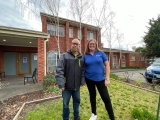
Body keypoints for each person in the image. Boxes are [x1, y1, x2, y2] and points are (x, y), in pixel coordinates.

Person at [84, 39, 115, 120]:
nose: (92, 45)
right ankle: (94, 114)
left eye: (93, 44)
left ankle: (112, 117)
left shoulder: (101, 53)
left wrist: (107, 78)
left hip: (101, 80)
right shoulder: (86, 55)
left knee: (106, 98)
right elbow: (83, 67)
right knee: (92, 96)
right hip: (89, 79)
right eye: (90, 44)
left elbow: (107, 65)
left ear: (96, 45)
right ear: (88, 45)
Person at [55, 38, 85, 120]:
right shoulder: (64, 56)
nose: (75, 45)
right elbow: (59, 70)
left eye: (77, 44)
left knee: (77, 102)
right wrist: (61, 84)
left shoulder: (81, 58)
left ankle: (76, 116)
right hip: (66, 87)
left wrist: (82, 81)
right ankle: (65, 118)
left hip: (77, 87)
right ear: (71, 45)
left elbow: (83, 71)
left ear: (79, 46)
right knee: (65, 104)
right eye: (73, 43)